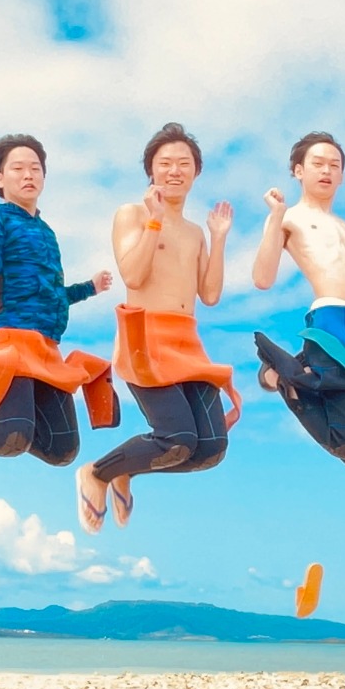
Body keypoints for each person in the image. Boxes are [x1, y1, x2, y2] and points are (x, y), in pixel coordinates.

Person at [0, 135, 120, 471]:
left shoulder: (46, 231)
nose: (29, 175)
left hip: (45, 347)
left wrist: (89, 288)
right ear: (0, 179)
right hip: (7, 338)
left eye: (36, 169)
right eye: (18, 168)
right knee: (9, 439)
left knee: (62, 451)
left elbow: (51, 293)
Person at [77, 122, 237, 534]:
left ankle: (126, 469)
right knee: (177, 437)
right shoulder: (132, 213)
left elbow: (211, 294)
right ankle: (96, 473)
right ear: (151, 170)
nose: (174, 171)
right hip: (145, 338)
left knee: (211, 449)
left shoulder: (195, 232)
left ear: (196, 172)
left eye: (184, 163)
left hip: (187, 342)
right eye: (165, 163)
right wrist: (154, 221)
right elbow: (133, 272)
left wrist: (218, 239)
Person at [247, 132, 345, 467]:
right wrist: (276, 215)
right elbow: (262, 278)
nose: (326, 170)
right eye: (317, 163)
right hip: (332, 318)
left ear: (342, 176)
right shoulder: (291, 217)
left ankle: (298, 367)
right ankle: (281, 374)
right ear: (298, 170)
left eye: (334, 165)